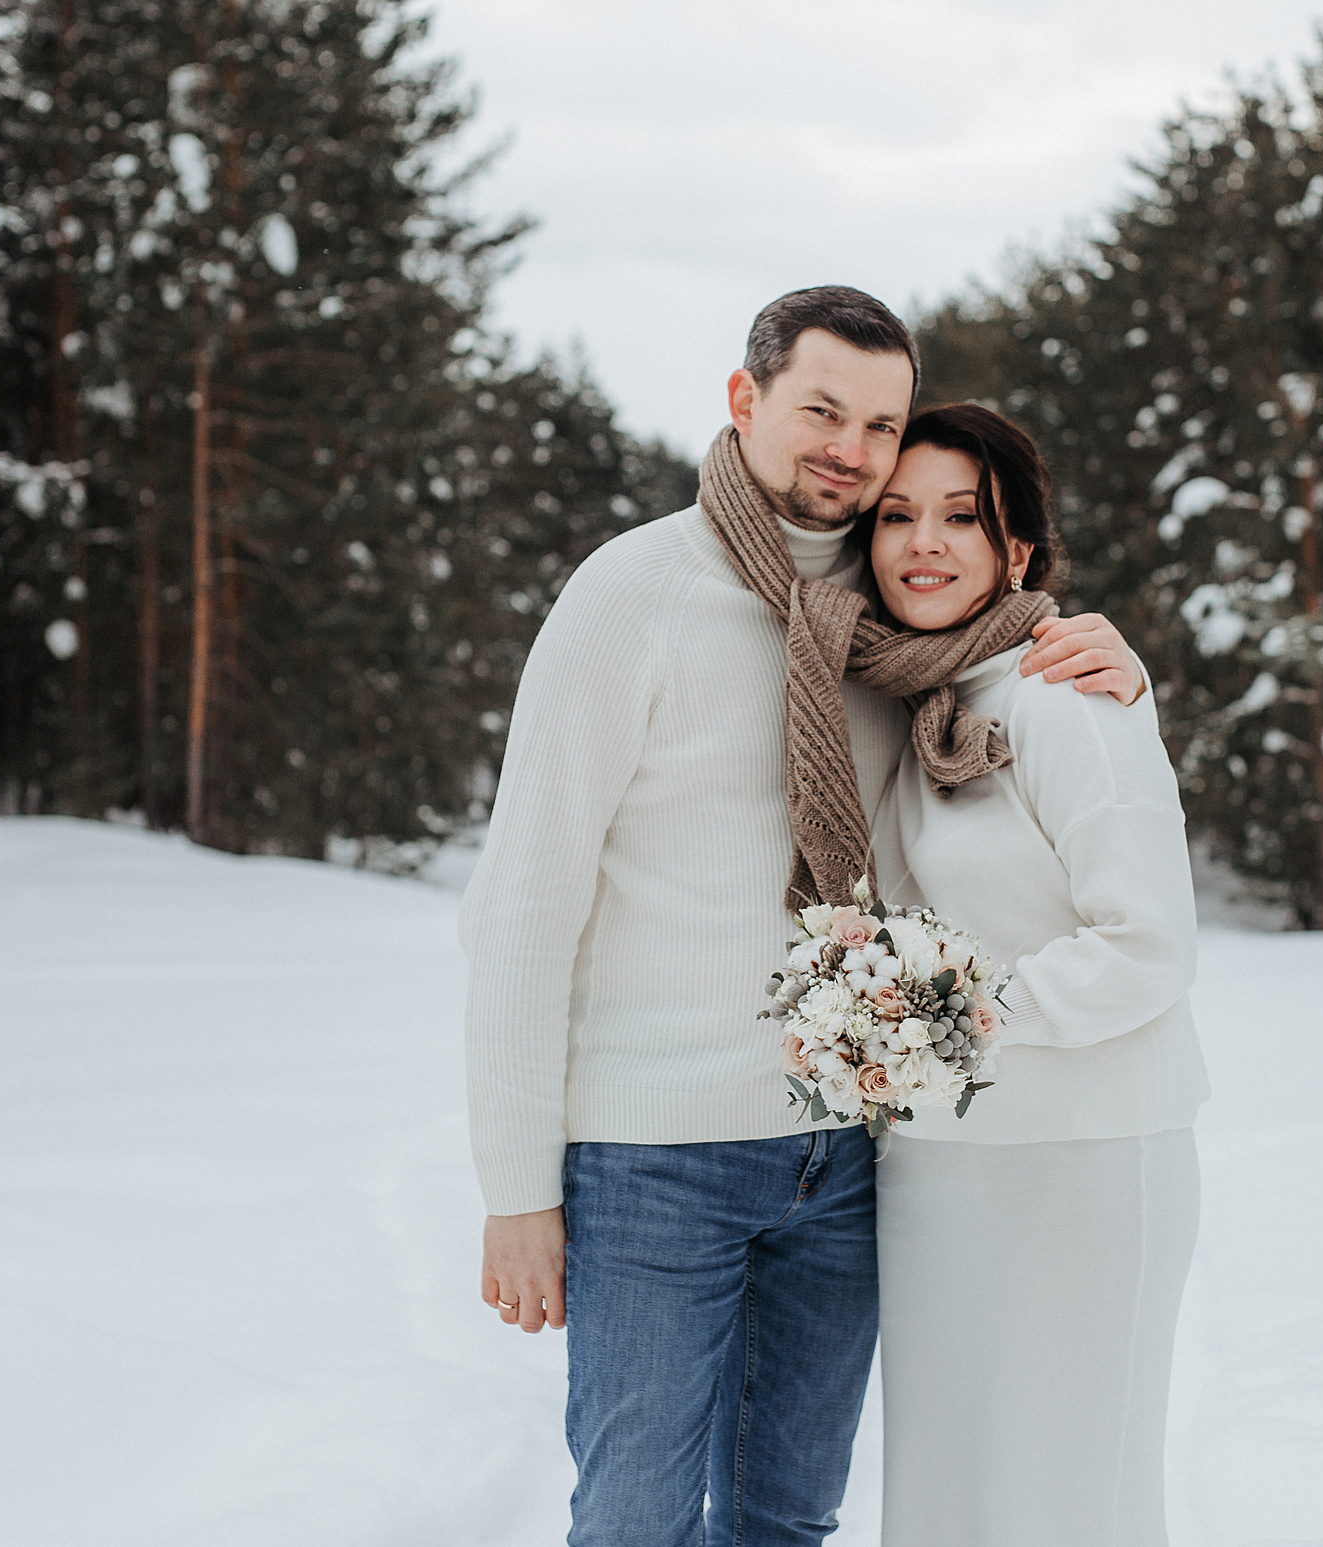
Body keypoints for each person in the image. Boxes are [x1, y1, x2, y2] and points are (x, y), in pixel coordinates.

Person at [460, 287, 1148, 1547]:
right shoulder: (635, 593)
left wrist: (1108, 658)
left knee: (787, 1520)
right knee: (636, 1523)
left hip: (845, 1156)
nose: (851, 448)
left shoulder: (897, 626)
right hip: (653, 1160)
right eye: (821, 409)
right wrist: (516, 1189)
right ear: (744, 399)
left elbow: (1003, 641)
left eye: (880, 425)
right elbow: (521, 904)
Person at [861, 403, 1208, 1547]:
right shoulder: (910, 706)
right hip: (938, 1167)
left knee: (1063, 1500)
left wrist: (946, 1022)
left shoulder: (1068, 698)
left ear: (1017, 552)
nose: (923, 541)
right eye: (897, 514)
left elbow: (1145, 941)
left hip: (1079, 1162)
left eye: (961, 516)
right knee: (948, 1499)